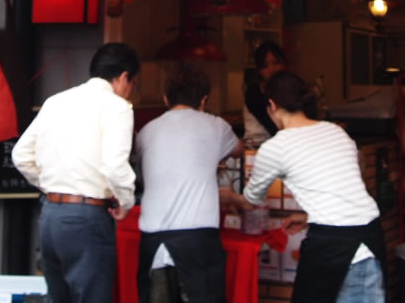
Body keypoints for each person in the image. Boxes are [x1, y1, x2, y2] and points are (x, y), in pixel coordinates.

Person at [12, 43, 140, 303]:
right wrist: (126, 202)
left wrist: (54, 187)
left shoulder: (56, 101)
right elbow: (115, 165)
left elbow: (21, 156)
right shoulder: (117, 107)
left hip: (51, 215)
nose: (130, 91)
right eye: (132, 84)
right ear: (124, 77)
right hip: (87, 218)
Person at [244, 71, 386, 303]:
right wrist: (309, 217)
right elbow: (345, 195)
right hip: (367, 238)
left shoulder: (276, 147)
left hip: (341, 246)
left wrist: (225, 196)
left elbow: (250, 200)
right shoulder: (336, 131)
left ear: (272, 105)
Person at [133, 63, 241, 303]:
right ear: (204, 101)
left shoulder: (146, 132)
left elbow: (143, 177)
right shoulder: (216, 126)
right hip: (198, 243)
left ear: (165, 98)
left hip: (153, 243)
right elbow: (240, 150)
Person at [243, 40, 287, 145]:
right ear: (259, 70)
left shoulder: (287, 88)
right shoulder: (254, 93)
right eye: (265, 66)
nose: (272, 70)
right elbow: (271, 127)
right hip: (256, 145)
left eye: (276, 63)